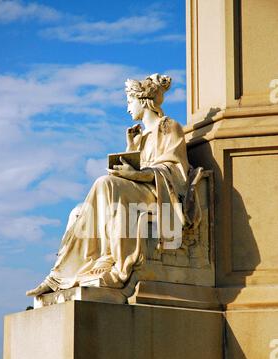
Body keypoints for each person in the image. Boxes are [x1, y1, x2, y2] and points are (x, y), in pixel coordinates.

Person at [27, 74, 201, 297]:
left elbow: (174, 170)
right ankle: (61, 273)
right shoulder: (138, 136)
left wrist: (137, 174)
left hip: (156, 191)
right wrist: (131, 148)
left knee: (105, 182)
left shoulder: (169, 127)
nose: (128, 108)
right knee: (78, 212)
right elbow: (137, 166)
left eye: (130, 101)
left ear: (143, 100)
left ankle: (104, 257)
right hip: (135, 190)